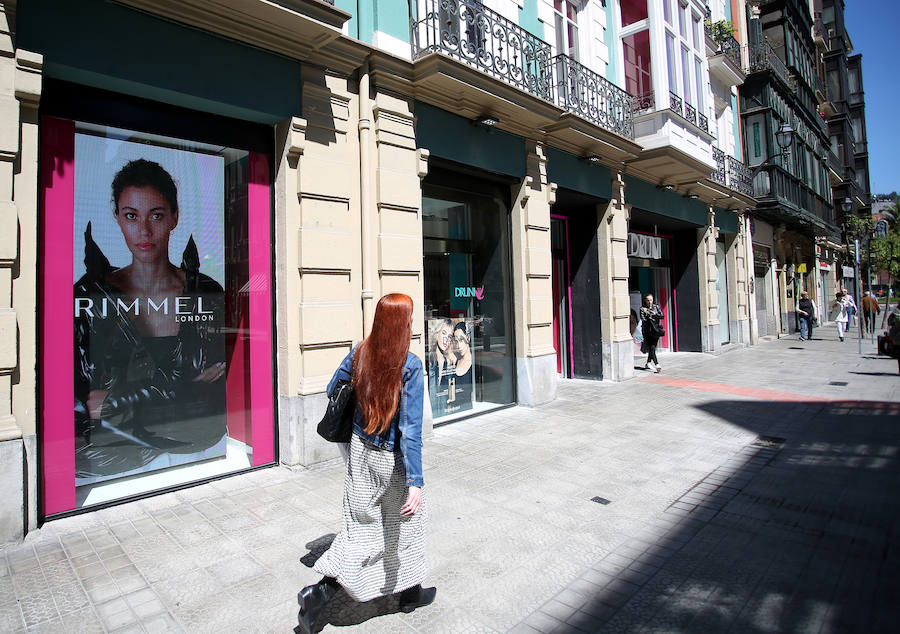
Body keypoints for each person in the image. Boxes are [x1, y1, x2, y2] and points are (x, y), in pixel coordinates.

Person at [74, 159, 226, 484]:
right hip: (110, 462)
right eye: (131, 216)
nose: (143, 231)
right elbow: (82, 402)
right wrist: (181, 391)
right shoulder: (90, 295)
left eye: (156, 215)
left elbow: (212, 392)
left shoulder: (205, 291)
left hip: (198, 449)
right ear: (117, 218)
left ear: (174, 218)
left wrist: (117, 400)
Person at [298, 294, 435, 634]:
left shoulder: (361, 350)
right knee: (397, 528)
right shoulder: (411, 365)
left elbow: (333, 388)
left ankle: (409, 591)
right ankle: (322, 593)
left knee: (363, 523)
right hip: (392, 461)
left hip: (359, 451)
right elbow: (411, 430)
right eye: (410, 319)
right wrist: (415, 481)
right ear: (403, 324)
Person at [427, 318, 456, 417]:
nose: (446, 340)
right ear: (437, 334)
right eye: (443, 333)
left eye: (449, 336)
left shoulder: (449, 362)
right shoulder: (429, 361)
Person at [639, 294, 664, 372]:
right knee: (652, 347)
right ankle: (657, 364)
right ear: (645, 301)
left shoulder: (656, 307)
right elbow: (643, 319)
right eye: (648, 300)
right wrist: (650, 315)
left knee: (653, 347)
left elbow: (662, 316)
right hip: (647, 331)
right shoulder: (643, 309)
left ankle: (648, 363)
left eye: (651, 300)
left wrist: (655, 314)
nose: (649, 302)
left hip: (656, 330)